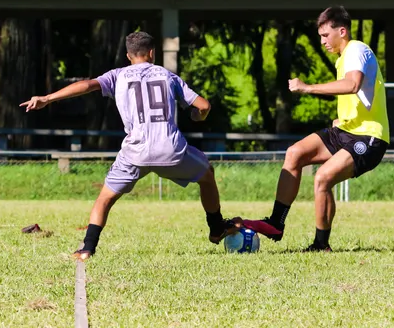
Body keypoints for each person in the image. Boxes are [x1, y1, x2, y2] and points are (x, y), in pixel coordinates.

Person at [20, 31, 239, 260]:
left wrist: (47, 98)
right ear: (152, 53)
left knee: (104, 199)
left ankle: (87, 248)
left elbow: (87, 85)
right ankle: (216, 228)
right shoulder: (167, 75)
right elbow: (203, 106)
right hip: (170, 150)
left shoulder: (118, 75)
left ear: (128, 55)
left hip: (135, 153)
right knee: (207, 174)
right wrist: (197, 116)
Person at [239, 6, 390, 252]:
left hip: (369, 136)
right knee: (294, 153)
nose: (322, 42)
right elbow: (360, 94)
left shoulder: (357, 49)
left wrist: (307, 87)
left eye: (325, 35)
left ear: (342, 31)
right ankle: (276, 223)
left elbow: (353, 85)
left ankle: (321, 244)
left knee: (322, 179)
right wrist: (342, 118)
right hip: (347, 130)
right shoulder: (345, 58)